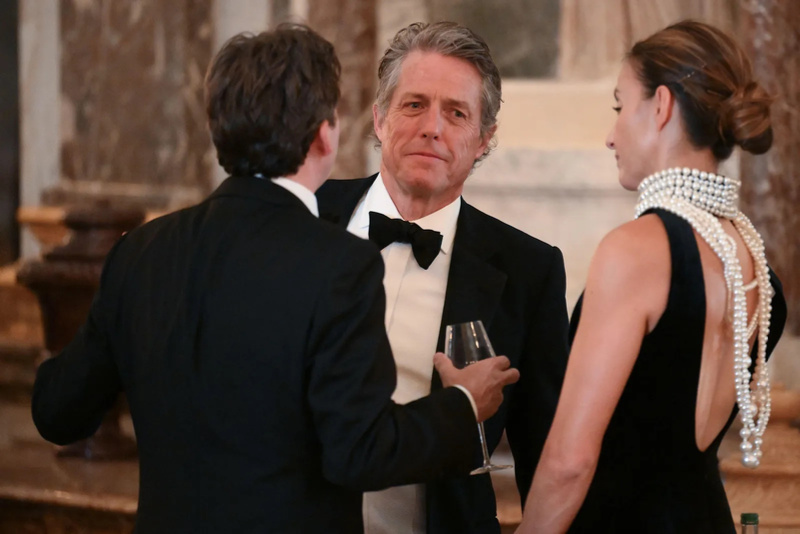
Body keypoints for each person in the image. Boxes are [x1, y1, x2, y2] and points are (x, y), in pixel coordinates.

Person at [30, 24, 521, 534]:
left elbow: (57, 412)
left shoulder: (141, 250)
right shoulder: (340, 265)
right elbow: (358, 454)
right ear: (325, 134)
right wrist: (461, 406)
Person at [516, 20, 788, 534]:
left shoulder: (635, 251)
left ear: (661, 106)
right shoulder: (755, 265)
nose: (610, 134)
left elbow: (569, 462)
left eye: (620, 106)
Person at [316, 21, 570, 534]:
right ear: (380, 118)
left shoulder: (529, 271)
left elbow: (547, 454)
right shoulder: (304, 220)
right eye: (414, 105)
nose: (433, 127)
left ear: (484, 140)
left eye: (456, 113)